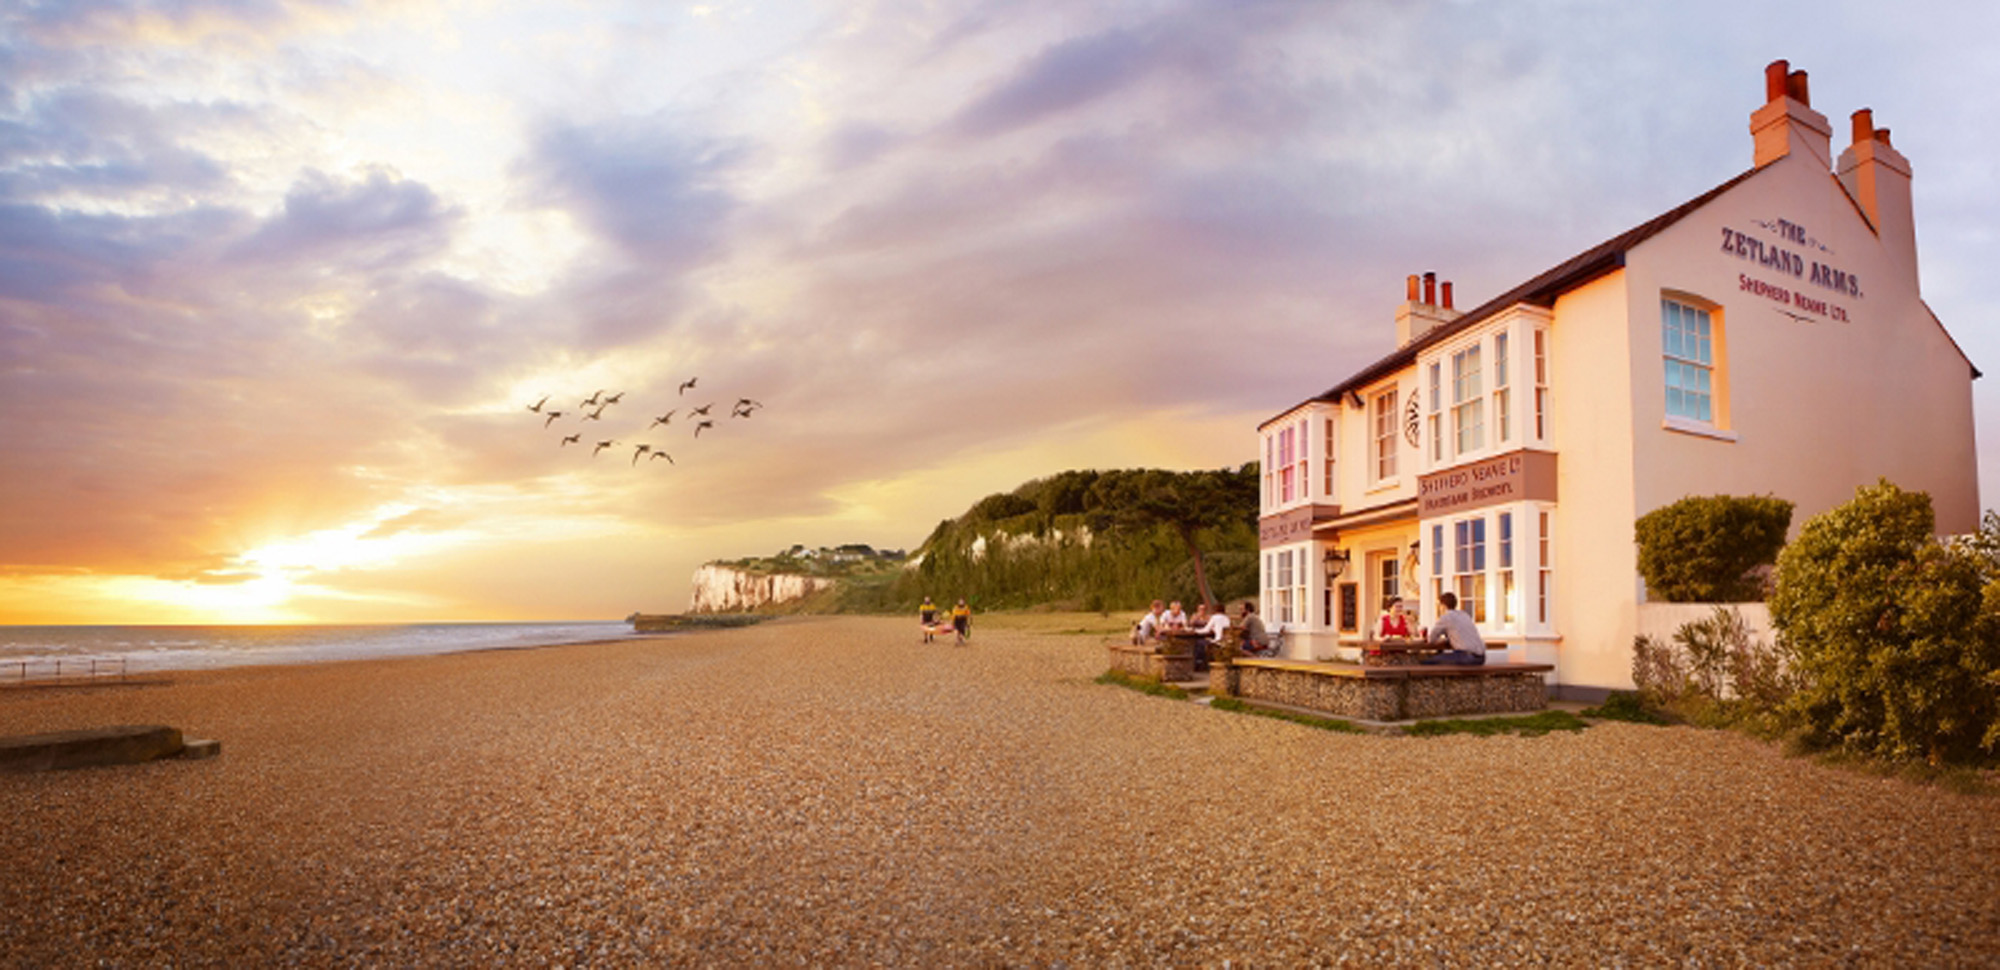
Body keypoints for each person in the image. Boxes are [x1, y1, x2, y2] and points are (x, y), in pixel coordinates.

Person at [1421, 591, 1485, 665]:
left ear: (1443, 606)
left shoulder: (1446, 618)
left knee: (1428, 661)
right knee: (1443, 658)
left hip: (1466, 656)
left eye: (1439, 605)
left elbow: (1431, 639)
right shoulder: (1464, 615)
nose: (1439, 608)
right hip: (1481, 658)